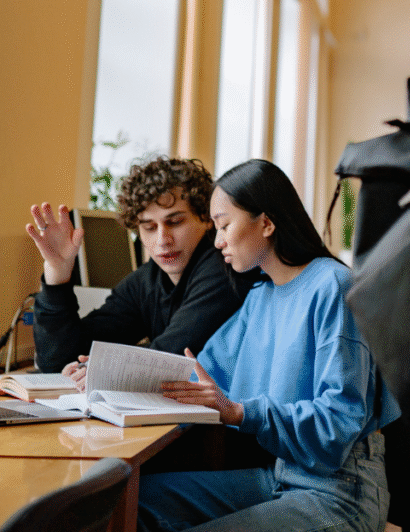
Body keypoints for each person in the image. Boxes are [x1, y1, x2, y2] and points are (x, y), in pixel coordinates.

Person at [137, 158, 399, 532]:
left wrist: (242, 413)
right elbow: (201, 376)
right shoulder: (261, 296)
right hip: (281, 475)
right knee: (135, 499)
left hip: (342, 492)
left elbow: (338, 425)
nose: (217, 241)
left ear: (266, 222)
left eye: (225, 225)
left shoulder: (333, 286)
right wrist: (108, 377)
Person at [28, 156, 253, 384]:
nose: (162, 240)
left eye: (175, 222)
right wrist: (57, 273)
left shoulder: (223, 267)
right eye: (149, 227)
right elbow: (57, 360)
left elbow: (171, 357)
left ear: (206, 218)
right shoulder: (146, 280)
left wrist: (101, 369)